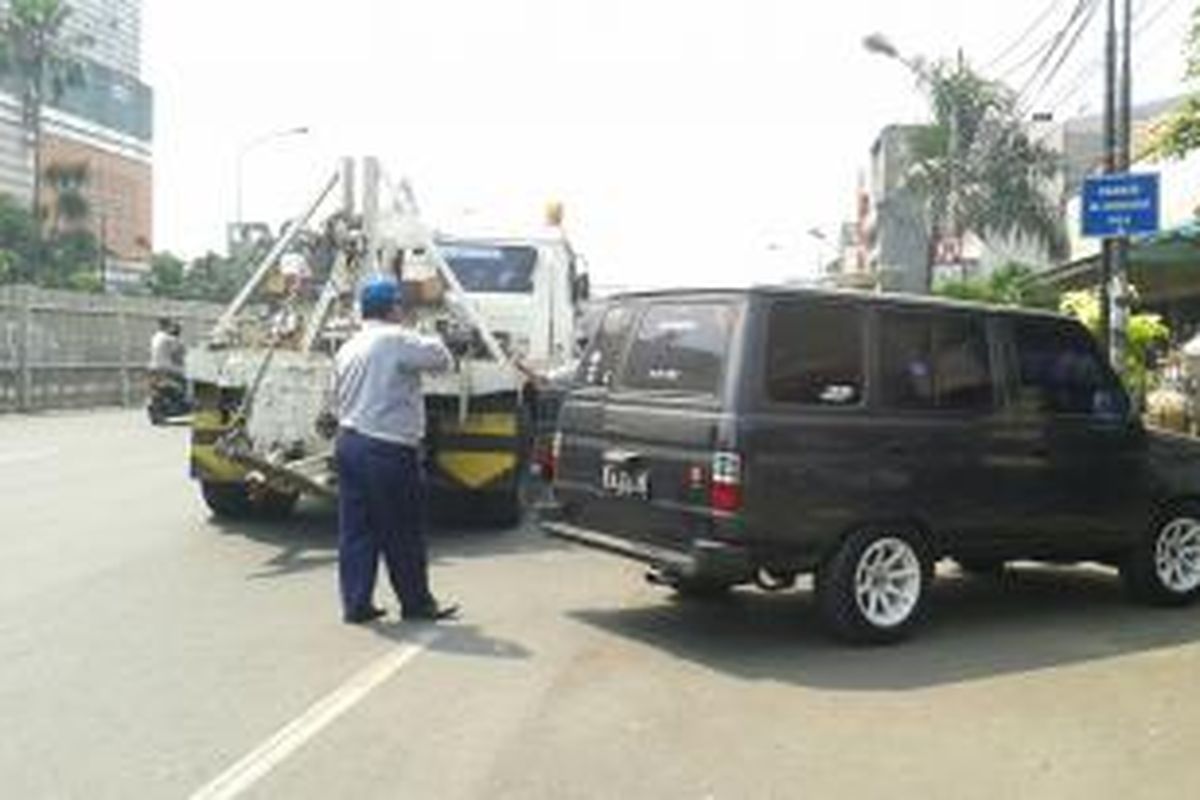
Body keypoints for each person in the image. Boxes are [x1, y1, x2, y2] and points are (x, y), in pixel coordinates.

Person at [333, 276, 459, 624]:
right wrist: (426, 332)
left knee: (357, 529)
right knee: (402, 529)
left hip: (350, 441)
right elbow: (442, 359)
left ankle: (356, 604)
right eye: (402, 306)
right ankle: (416, 603)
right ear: (394, 308)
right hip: (386, 448)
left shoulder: (349, 346)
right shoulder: (396, 339)